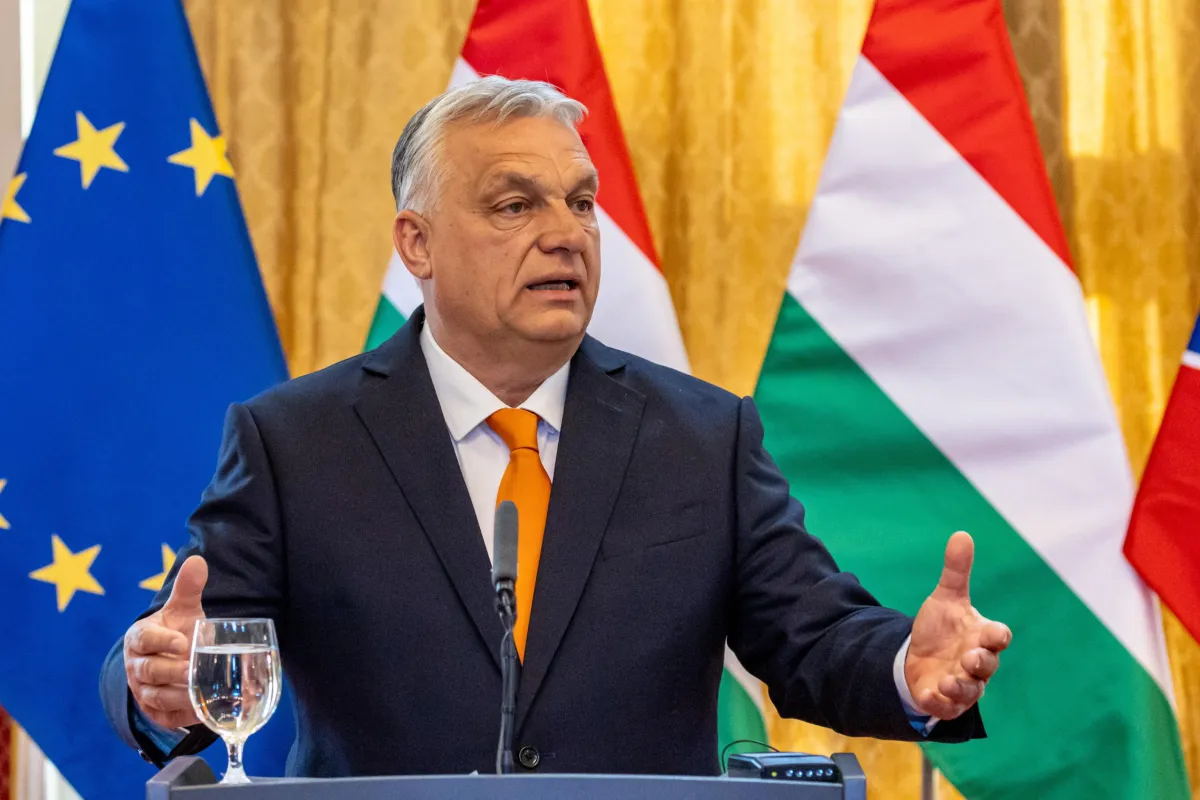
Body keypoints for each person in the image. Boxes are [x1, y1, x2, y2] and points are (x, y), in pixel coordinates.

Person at [100, 76, 1011, 777]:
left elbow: (809, 636)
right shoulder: (297, 443)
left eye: (580, 202)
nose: (565, 233)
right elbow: (198, 645)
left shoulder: (703, 437)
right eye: (514, 205)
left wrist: (904, 666)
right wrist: (161, 683)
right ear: (416, 243)